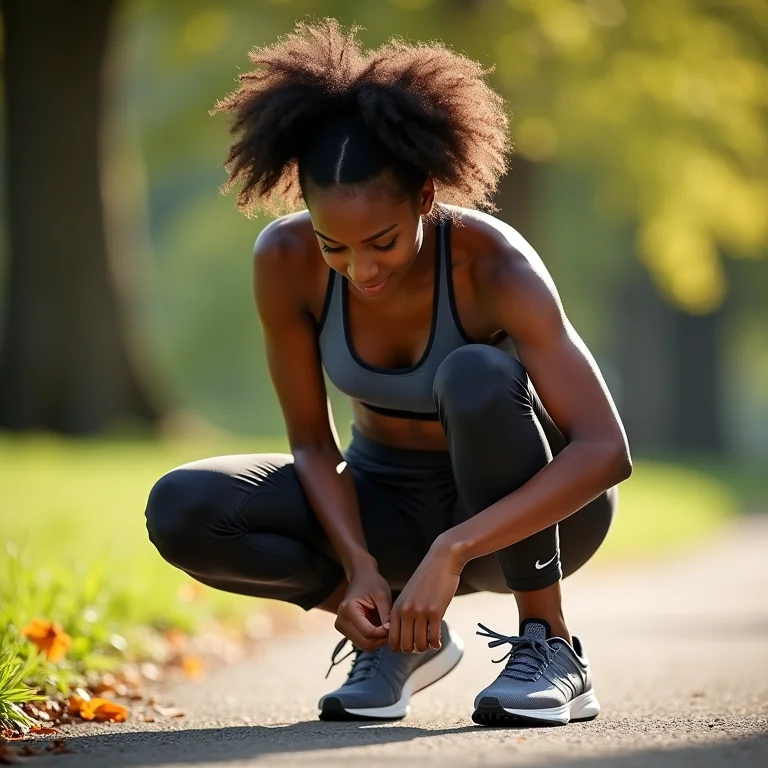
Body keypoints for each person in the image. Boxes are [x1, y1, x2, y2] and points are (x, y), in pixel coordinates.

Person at [144, 19, 631, 727]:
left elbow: (605, 450)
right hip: (387, 508)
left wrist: (455, 547)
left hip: (531, 523)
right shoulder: (284, 261)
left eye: (382, 242)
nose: (360, 269)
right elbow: (313, 444)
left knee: (474, 374)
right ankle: (395, 637)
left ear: (426, 196)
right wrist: (357, 570)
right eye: (334, 245)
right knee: (183, 506)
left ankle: (550, 644)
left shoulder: (495, 265)